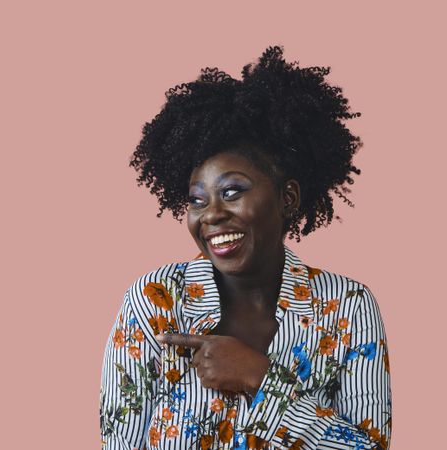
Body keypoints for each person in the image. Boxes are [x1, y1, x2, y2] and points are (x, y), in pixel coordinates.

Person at [99, 46, 391, 450]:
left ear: (287, 199)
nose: (211, 215)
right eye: (197, 200)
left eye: (232, 192)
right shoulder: (155, 302)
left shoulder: (349, 307)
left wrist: (260, 379)